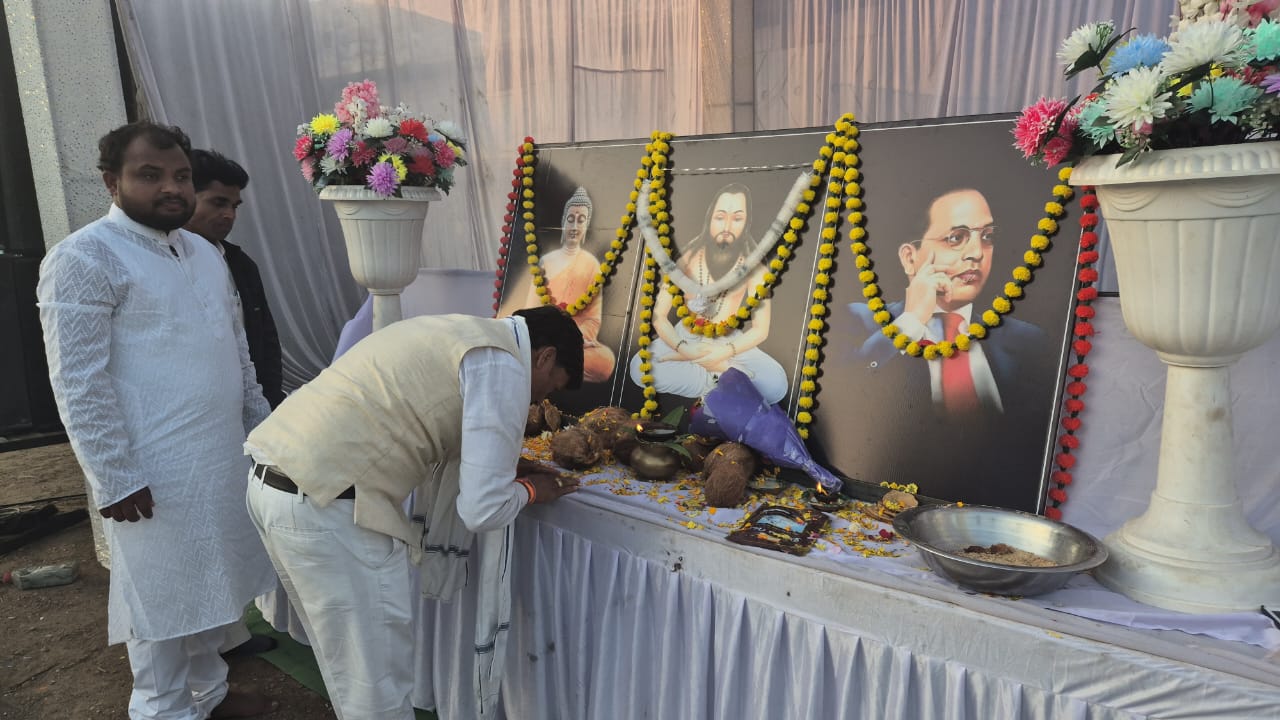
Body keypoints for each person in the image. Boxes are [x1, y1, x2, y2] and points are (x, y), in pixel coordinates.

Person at [37, 121, 277, 719]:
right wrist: (114, 476)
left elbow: (238, 354)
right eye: (150, 175)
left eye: (181, 176)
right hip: (149, 466)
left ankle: (208, 691)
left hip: (218, 453)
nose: (172, 188)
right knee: (161, 593)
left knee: (212, 577)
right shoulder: (83, 256)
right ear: (111, 182)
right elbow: (78, 381)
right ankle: (161, 708)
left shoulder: (203, 252)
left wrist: (262, 433)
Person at [244, 306, 584, 720]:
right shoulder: (505, 366)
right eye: (549, 387)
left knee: (352, 671)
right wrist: (531, 490)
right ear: (545, 356)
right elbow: (483, 510)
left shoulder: (463, 330)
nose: (540, 400)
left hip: (276, 482)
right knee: (377, 680)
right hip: (327, 506)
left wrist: (505, 466)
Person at [846, 188, 1047, 417]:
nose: (977, 253)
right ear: (910, 258)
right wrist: (911, 321)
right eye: (956, 238)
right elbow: (845, 390)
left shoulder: (1029, 341)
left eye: (987, 237)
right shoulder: (857, 321)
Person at [628, 183, 788, 404]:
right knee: (639, 368)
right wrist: (686, 350)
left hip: (727, 342)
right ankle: (719, 378)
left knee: (776, 384)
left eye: (737, 218)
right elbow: (659, 316)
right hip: (686, 337)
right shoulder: (687, 258)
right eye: (720, 217)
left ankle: (718, 371)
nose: (727, 226)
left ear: (746, 223)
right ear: (710, 218)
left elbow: (760, 330)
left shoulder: (755, 266)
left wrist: (722, 354)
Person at [185, 149, 285, 409]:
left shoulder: (241, 265)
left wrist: (270, 402)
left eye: (234, 206)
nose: (229, 214)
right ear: (186, 196)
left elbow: (266, 342)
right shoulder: (161, 264)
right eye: (218, 203)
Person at [522, 187, 616, 382]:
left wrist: (571, 336)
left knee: (605, 361)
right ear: (563, 222)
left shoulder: (591, 264)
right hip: (544, 335)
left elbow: (593, 320)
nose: (574, 226)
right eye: (570, 219)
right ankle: (555, 368)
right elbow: (531, 311)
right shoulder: (546, 262)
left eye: (581, 220)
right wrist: (551, 333)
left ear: (586, 226)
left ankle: (545, 367)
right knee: (529, 344)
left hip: (575, 340)